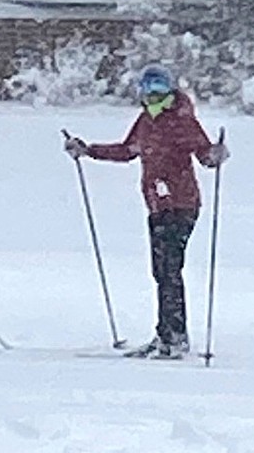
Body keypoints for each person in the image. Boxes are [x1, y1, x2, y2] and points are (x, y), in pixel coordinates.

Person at [63, 64, 229, 359]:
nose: (153, 94)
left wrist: (215, 155)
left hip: (182, 204)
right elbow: (128, 150)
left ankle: (174, 337)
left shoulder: (182, 120)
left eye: (159, 88)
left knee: (169, 269)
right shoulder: (146, 121)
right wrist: (88, 150)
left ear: (169, 90)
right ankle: (165, 335)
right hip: (157, 204)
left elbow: (204, 154)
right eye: (148, 88)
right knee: (161, 271)